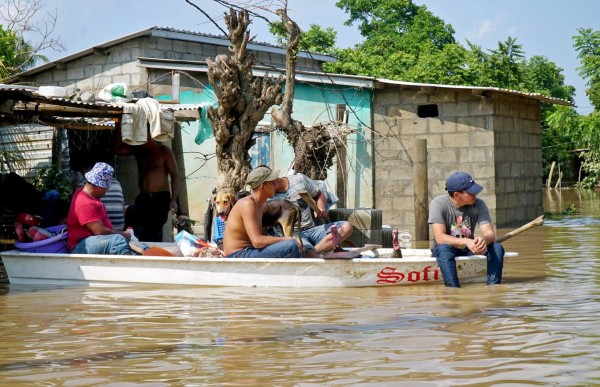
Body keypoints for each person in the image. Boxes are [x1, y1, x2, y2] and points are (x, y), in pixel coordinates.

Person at [428, 171, 505, 288]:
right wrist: (466, 241)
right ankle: (453, 289)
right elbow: (440, 238)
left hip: (469, 249)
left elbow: (490, 234)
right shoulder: (438, 204)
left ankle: (493, 287)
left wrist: (482, 241)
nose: (475, 195)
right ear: (456, 195)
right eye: (471, 193)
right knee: (444, 249)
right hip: (446, 250)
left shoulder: (479, 204)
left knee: (497, 247)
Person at [223, 165, 301, 258]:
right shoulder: (247, 204)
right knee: (290, 246)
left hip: (249, 251)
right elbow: (257, 242)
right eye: (272, 183)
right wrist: (286, 239)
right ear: (262, 186)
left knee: (291, 245)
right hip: (238, 254)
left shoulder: (259, 204)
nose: (276, 186)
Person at [114, 134, 179, 242]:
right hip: (143, 197)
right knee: (137, 231)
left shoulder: (164, 151)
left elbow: (175, 176)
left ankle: (154, 256)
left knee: (154, 232)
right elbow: (116, 150)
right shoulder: (139, 150)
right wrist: (118, 126)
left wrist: (173, 200)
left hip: (160, 197)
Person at [273, 173, 352, 256]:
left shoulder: (299, 180)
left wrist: (321, 208)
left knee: (346, 227)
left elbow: (319, 194)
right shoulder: (268, 196)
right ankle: (310, 251)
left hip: (312, 229)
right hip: (294, 235)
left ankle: (313, 251)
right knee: (298, 246)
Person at [66, 162, 136, 255]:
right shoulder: (84, 203)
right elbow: (100, 231)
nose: (107, 190)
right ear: (98, 185)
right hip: (81, 246)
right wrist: (122, 234)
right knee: (118, 240)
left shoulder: (92, 196)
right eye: (106, 187)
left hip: (97, 242)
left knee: (142, 247)